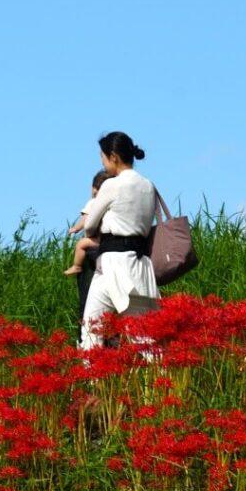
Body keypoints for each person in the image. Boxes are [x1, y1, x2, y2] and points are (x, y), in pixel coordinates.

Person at [78, 133, 160, 351]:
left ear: (113, 157)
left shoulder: (112, 185)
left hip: (115, 262)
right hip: (137, 264)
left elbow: (89, 226)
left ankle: (92, 375)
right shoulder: (148, 185)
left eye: (103, 158)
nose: (103, 164)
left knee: (96, 332)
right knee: (140, 333)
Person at [64, 169, 110, 276]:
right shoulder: (111, 203)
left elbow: (85, 218)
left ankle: (77, 266)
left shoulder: (93, 202)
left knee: (81, 244)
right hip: (110, 239)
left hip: (97, 239)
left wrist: (76, 228)